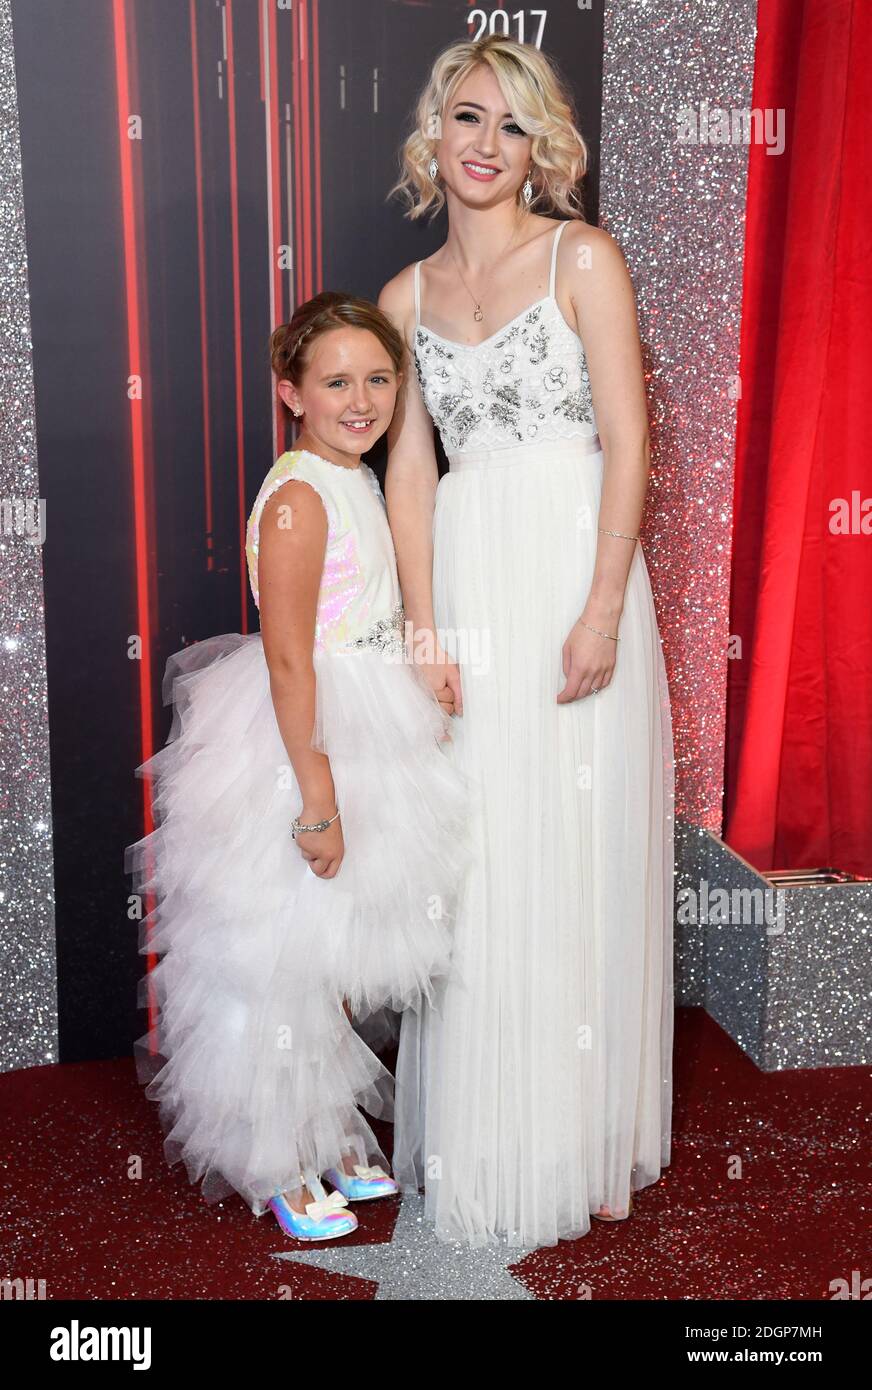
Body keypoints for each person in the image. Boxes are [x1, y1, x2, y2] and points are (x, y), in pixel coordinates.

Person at [379, 34, 676, 1248]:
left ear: (538, 142)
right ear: (431, 138)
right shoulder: (401, 298)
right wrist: (418, 627)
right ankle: (488, 1134)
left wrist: (602, 603)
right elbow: (406, 473)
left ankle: (578, 1137)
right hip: (467, 585)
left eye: (509, 123)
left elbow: (627, 438)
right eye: (465, 118)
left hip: (568, 574)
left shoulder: (582, 258)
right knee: (483, 862)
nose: (485, 144)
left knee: (575, 849)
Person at [124, 292, 471, 1242]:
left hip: (368, 721)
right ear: (290, 393)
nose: (360, 400)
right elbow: (287, 658)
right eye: (335, 383)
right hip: (302, 740)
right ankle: (275, 1155)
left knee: (339, 959)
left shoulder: (353, 477)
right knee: (285, 963)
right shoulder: (298, 499)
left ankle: (327, 1134)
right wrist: (316, 793)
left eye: (377, 380)